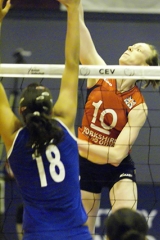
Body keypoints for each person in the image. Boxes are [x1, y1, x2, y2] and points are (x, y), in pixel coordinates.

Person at [0, 0, 92, 239]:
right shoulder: (64, 121)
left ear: (21, 110)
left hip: (38, 234)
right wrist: (73, 9)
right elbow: (72, 64)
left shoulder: (13, 136)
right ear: (52, 109)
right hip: (75, 234)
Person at [77, 0, 160, 235]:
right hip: (85, 165)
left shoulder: (138, 107)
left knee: (126, 227)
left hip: (117, 168)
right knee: (82, 232)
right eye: (132, 45)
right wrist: (75, 7)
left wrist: (74, 144)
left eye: (137, 49)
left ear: (145, 67)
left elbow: (116, 155)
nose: (130, 47)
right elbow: (81, 34)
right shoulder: (98, 72)